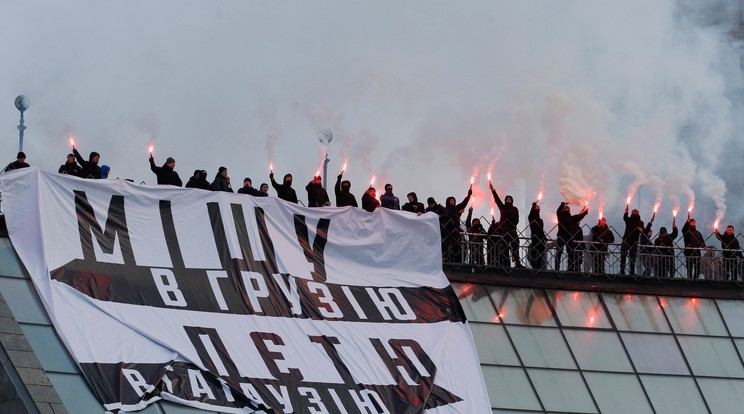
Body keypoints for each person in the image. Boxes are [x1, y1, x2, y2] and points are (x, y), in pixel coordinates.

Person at [489, 183, 522, 267]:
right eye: (507, 199)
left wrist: (514, 223)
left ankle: (518, 263)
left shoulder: (515, 209)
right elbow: (497, 200)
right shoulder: (503, 207)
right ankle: (506, 264)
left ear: (512, 201)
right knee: (504, 247)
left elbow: (517, 218)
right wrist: (493, 190)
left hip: (513, 229)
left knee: (515, 246)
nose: (508, 200)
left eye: (510, 199)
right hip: (505, 229)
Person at [555, 202, 589, 271]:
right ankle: (557, 267)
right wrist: (562, 205)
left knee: (571, 252)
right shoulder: (561, 216)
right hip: (561, 236)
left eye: (568, 207)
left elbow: (579, 217)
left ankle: (570, 267)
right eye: (566, 207)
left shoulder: (571, 218)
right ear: (563, 209)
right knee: (559, 252)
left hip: (569, 237)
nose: (567, 207)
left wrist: (585, 212)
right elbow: (558, 211)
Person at [441, 189, 472, 263]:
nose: (452, 201)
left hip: (456, 231)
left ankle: (458, 260)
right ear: (448, 201)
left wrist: (469, 195)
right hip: (447, 230)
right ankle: (446, 258)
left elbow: (463, 204)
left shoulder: (456, 208)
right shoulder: (445, 210)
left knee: (457, 247)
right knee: (447, 246)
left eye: (453, 200)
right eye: (451, 200)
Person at [620, 207, 645, 275]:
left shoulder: (630, 220)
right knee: (632, 257)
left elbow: (625, 217)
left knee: (624, 255)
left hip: (627, 240)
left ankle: (622, 271)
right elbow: (643, 230)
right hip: (632, 241)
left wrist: (626, 212)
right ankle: (631, 272)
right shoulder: (639, 222)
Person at [681, 214, 706, 279]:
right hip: (689, 251)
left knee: (697, 267)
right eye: (692, 222)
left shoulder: (698, 233)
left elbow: (701, 241)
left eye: (694, 222)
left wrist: (704, 246)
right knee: (689, 267)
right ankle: (689, 279)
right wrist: (687, 222)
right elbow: (683, 229)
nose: (694, 223)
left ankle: (696, 279)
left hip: (697, 252)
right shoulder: (687, 232)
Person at [528, 202, 546, 269]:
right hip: (535, 237)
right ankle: (534, 266)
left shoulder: (541, 220)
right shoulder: (531, 218)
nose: (537, 208)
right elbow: (531, 214)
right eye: (536, 207)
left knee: (541, 252)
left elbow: (541, 229)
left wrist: (544, 237)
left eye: (538, 207)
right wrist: (533, 206)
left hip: (541, 237)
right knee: (534, 252)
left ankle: (538, 265)